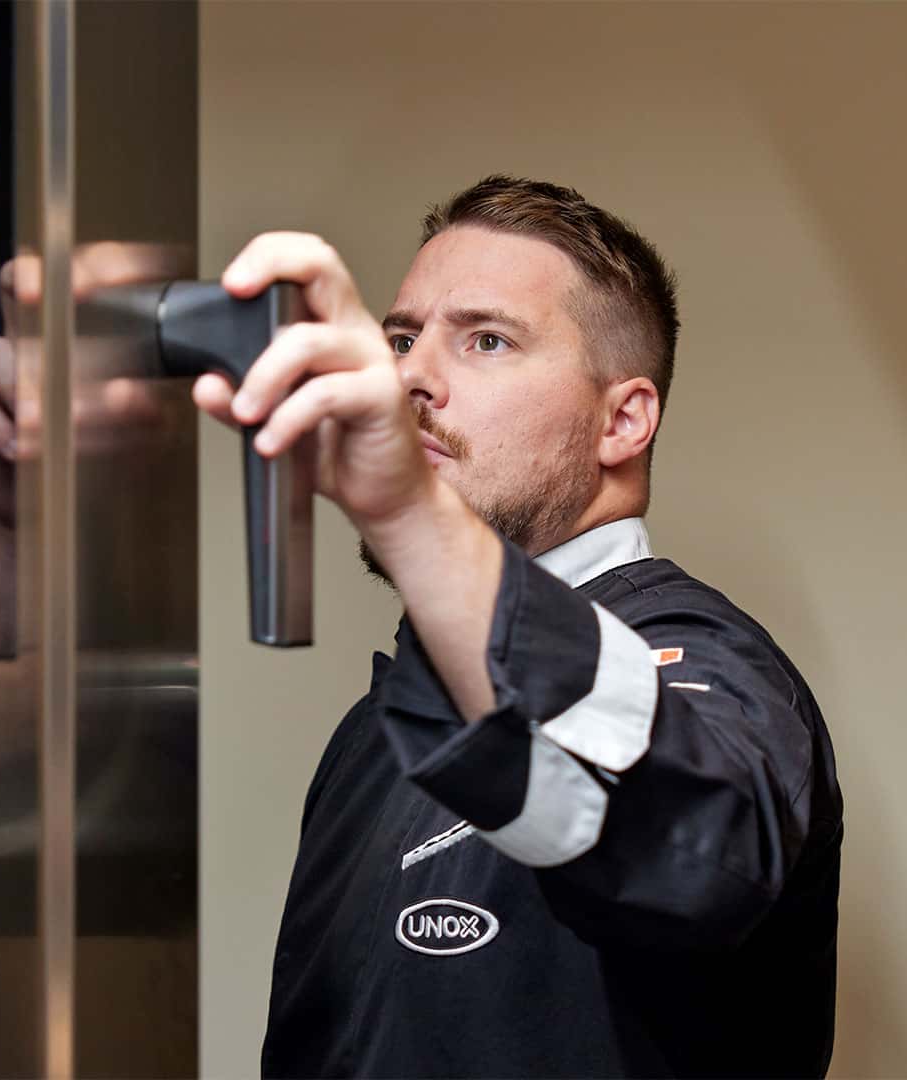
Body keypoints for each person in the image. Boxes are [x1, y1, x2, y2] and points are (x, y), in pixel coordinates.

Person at [189, 176, 843, 1077]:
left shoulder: (711, 664)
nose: (412, 377)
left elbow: (702, 852)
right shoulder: (376, 734)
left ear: (623, 420)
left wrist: (412, 515)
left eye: (486, 341)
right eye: (403, 339)